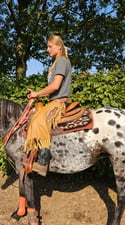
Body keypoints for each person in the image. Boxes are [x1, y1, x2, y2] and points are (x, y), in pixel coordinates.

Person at [24, 35, 72, 176]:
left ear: (59, 46)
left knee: (39, 121)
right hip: (53, 101)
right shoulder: (58, 62)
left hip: (58, 103)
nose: (47, 49)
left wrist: (37, 94)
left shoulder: (61, 61)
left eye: (50, 46)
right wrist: (37, 94)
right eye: (47, 46)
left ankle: (43, 162)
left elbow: (55, 86)